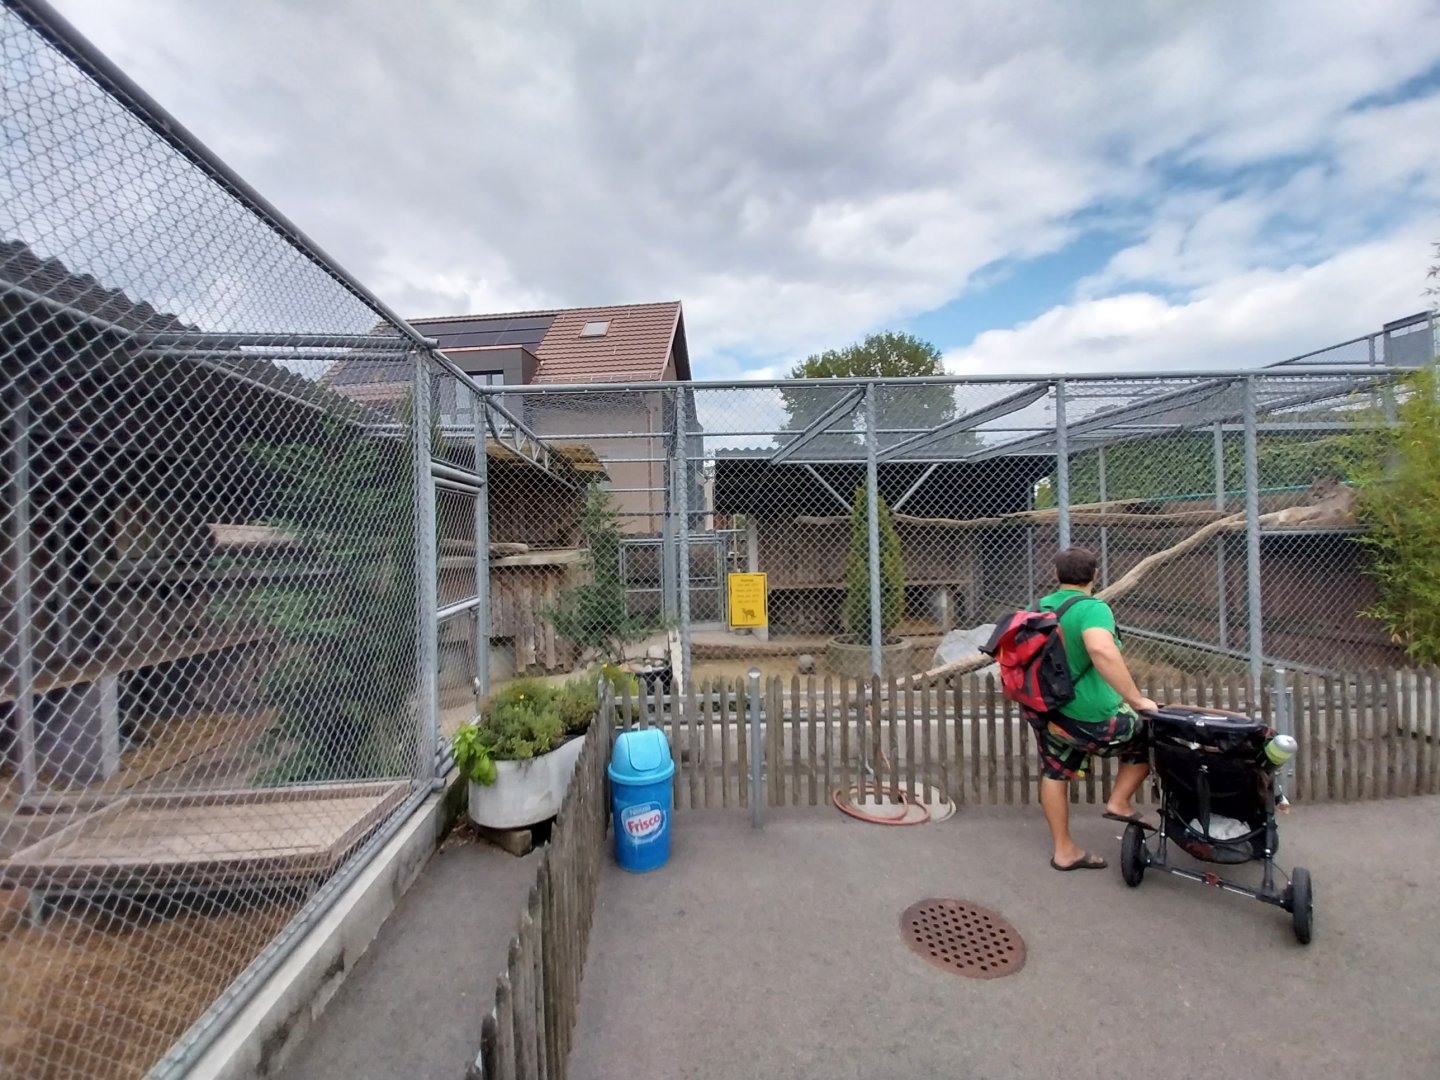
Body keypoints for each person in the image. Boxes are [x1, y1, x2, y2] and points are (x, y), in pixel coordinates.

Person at [1037, 547, 1157, 871]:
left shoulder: (1040, 607)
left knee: (1055, 772)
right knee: (1151, 733)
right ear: (1095, 576)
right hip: (1092, 718)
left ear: (1055, 574)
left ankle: (1064, 851)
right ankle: (1119, 802)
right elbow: (1100, 649)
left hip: (1051, 716)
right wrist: (1135, 699)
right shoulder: (1093, 609)